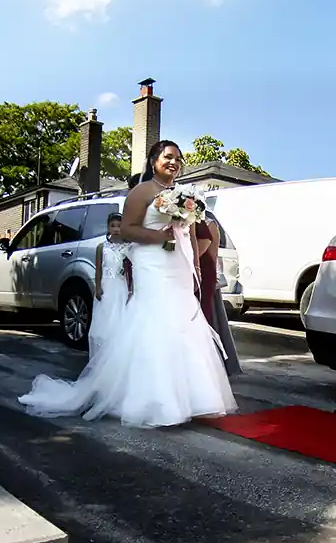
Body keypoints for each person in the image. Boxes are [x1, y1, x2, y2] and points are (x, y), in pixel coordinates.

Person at [18, 140, 238, 428]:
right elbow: (130, 230)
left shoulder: (182, 195)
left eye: (178, 159)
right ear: (153, 160)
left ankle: (195, 397)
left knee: (184, 321)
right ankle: (154, 399)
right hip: (151, 263)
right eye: (168, 157)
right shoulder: (141, 192)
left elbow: (191, 232)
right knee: (155, 321)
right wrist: (161, 237)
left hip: (176, 265)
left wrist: (194, 262)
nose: (174, 163)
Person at [195, 216, 242, 376]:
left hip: (203, 270)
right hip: (193, 270)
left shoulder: (208, 224)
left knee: (203, 313)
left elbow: (211, 250)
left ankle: (208, 358)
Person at [87, 212, 132, 360]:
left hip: (120, 285)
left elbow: (130, 269)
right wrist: (98, 286)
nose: (116, 229)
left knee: (118, 317)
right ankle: (102, 354)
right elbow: (99, 268)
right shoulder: (102, 247)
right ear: (107, 227)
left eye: (119, 226)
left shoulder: (128, 247)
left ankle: (117, 354)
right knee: (104, 318)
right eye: (112, 226)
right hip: (107, 285)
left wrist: (131, 288)